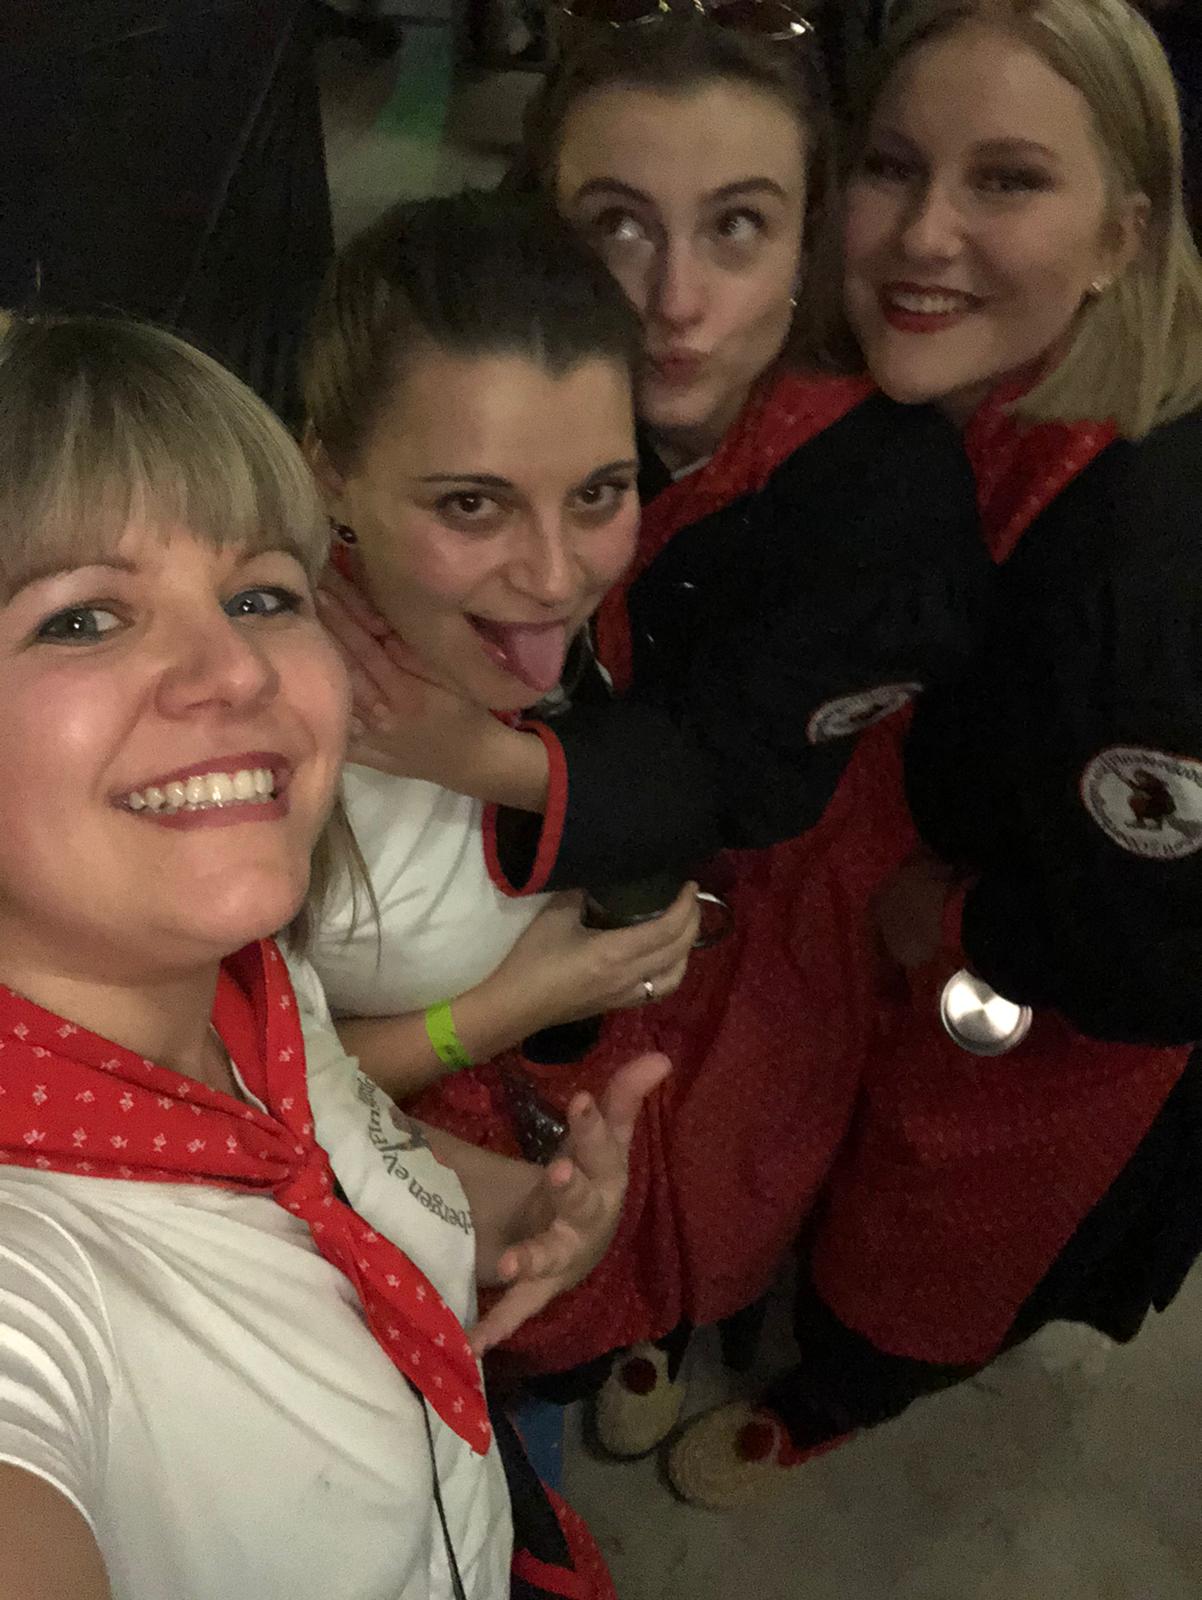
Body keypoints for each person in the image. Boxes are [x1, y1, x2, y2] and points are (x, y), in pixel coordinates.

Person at [315, 17, 990, 1458]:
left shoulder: (876, 489)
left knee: (701, 1149)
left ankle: (657, 1323)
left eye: (737, 227)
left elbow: (741, 783)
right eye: (616, 227)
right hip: (512, 931)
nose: (675, 301)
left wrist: (462, 751)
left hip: (752, 891)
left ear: (808, 239)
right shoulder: (486, 397)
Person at [0, 309, 665, 1596]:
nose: (234, 669)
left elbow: (320, 1141)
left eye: (260, 595)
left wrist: (511, 1207)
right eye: (81, 620)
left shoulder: (244, 974)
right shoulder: (30, 1295)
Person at [662, 0, 1202, 1509]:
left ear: (1120, 234)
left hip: (1048, 995)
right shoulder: (952, 398)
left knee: (928, 1223)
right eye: (893, 168)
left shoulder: (1143, 588)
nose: (921, 235)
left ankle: (840, 1390)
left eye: (1006, 181)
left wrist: (955, 922)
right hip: (930, 858)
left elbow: (1166, 955)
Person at [301, 192, 701, 1107]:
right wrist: (516, 1005)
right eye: (472, 505)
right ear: (331, 478)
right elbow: (198, 1088)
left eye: (598, 493)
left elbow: (683, 784)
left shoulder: (603, 604)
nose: (555, 579)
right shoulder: (245, 711)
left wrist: (476, 758)